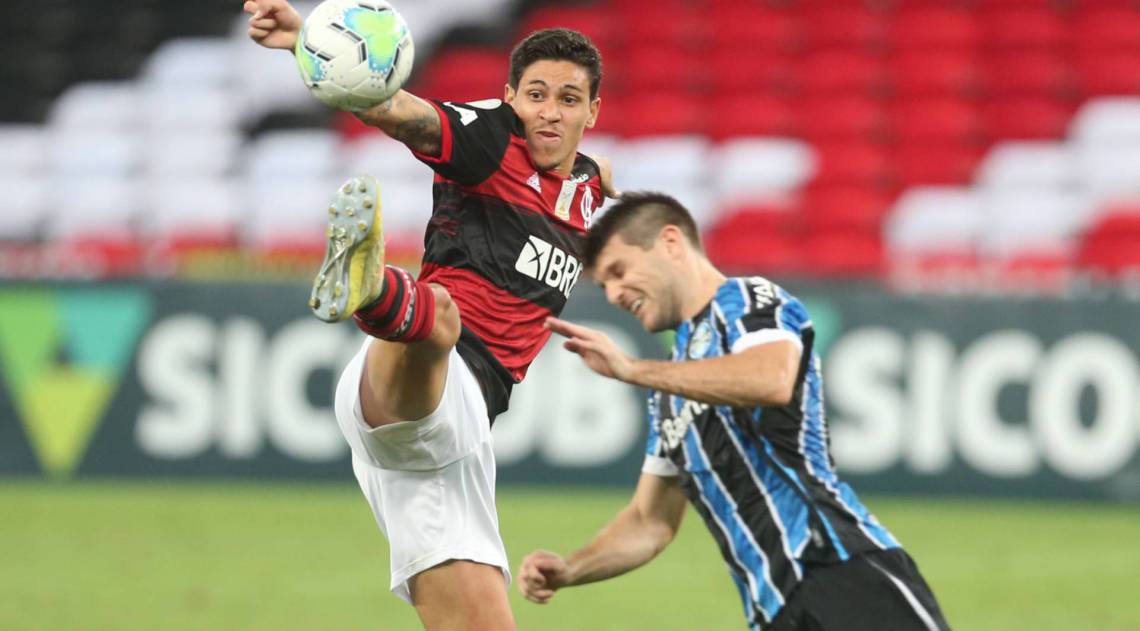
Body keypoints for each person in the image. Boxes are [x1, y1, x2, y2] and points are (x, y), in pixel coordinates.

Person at [245, 2, 617, 629]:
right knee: (442, 314)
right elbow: (397, 112)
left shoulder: (588, 182)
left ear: (592, 112)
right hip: (434, 388)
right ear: (509, 96)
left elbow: (599, 178)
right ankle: (373, 286)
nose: (549, 112)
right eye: (535, 95)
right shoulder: (490, 137)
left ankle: (378, 291)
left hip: (438, 442)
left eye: (569, 99)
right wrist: (306, 44)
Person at [518, 192, 951, 631]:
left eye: (618, 271)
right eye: (604, 284)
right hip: (773, 610)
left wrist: (632, 369)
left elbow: (771, 379)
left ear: (670, 243)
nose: (612, 294)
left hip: (836, 568)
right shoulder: (668, 387)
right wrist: (572, 569)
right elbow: (650, 522)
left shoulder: (746, 300)